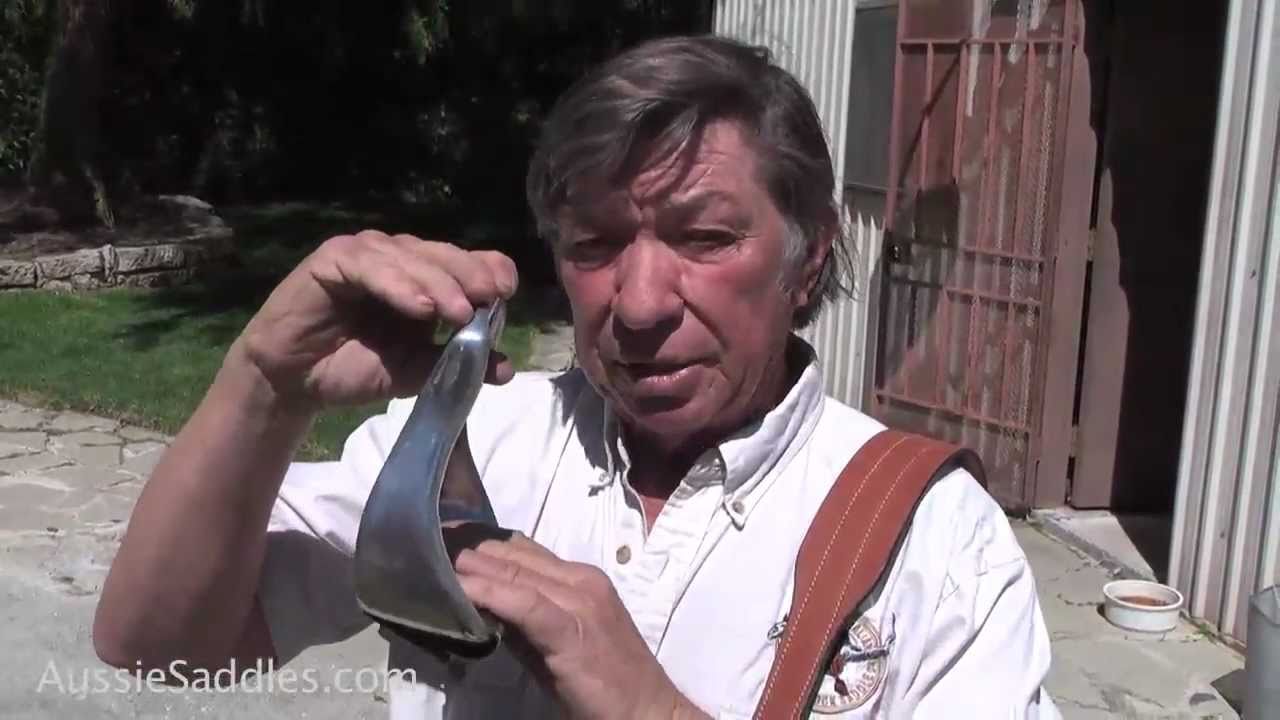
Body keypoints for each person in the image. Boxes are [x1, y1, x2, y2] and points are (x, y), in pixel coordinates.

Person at [92, 35, 1062, 719]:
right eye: (594, 244)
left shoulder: (929, 535)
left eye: (704, 237)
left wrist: (651, 710)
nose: (637, 302)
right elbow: (158, 648)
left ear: (806, 260)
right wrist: (264, 386)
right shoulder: (473, 444)